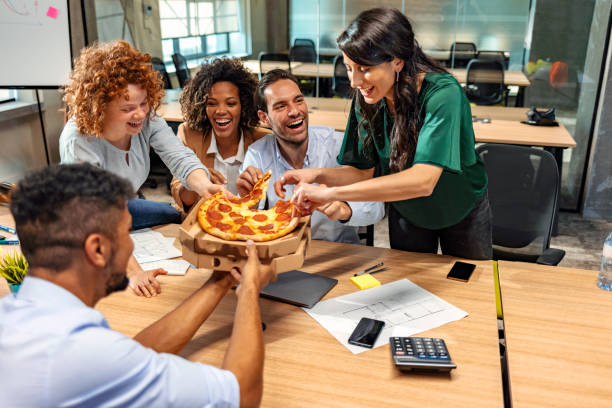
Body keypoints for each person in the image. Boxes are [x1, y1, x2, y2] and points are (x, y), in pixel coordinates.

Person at [0, 163, 275, 407]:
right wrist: (249, 289)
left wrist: (221, 280)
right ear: (97, 250)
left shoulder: (16, 316)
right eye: (126, 232)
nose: (131, 245)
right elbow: (242, 395)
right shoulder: (89, 355)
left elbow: (135, 353)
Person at [275, 8, 492, 259]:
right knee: (410, 282)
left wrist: (330, 193)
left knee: (472, 283)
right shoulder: (368, 97)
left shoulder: (443, 94)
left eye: (364, 69)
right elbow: (363, 171)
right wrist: (315, 174)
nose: (355, 81)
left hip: (459, 206)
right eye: (348, 68)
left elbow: (423, 180)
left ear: (397, 61)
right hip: (407, 208)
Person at [59, 40, 228, 296]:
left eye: (143, 103)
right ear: (100, 107)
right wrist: (133, 271)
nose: (139, 114)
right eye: (127, 108)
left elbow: (180, 157)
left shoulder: (146, 119)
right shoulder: (78, 141)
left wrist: (205, 186)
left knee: (174, 215)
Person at [237, 69, 383, 244]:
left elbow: (377, 208)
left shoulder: (337, 145)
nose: (294, 111)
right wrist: (246, 202)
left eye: (298, 100)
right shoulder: (257, 154)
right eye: (281, 106)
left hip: (339, 253)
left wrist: (344, 210)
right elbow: (248, 226)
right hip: (284, 254)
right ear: (264, 118)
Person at [171, 58, 270, 213]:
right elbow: (180, 197)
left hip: (249, 226)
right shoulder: (188, 135)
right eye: (211, 103)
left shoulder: (263, 140)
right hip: (203, 225)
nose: (220, 111)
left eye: (230, 103)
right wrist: (196, 180)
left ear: (243, 106)